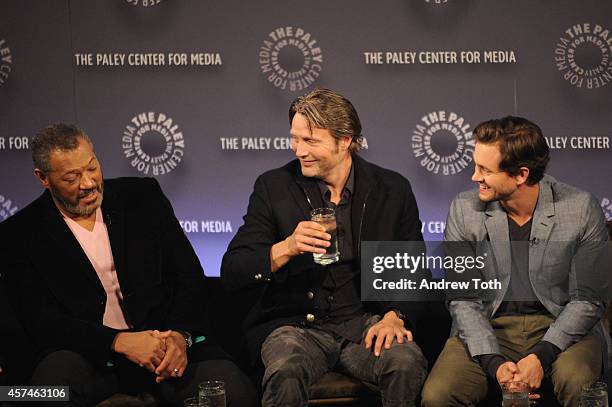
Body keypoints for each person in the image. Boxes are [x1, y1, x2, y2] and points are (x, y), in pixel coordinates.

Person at [0, 124, 257, 407]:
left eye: (92, 167)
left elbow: (189, 278)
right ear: (43, 178)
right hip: (87, 356)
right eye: (72, 177)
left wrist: (180, 337)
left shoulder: (143, 197)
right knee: (42, 397)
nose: (88, 183)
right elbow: (40, 320)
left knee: (235, 391)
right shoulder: (19, 234)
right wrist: (117, 341)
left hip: (165, 346)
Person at [221, 88, 428, 406]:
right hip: (297, 326)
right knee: (285, 368)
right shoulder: (273, 187)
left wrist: (395, 316)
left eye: (310, 141)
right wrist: (286, 247)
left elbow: (413, 270)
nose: (298, 150)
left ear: (345, 141)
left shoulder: (392, 189)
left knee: (405, 361)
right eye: (294, 139)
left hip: (366, 323)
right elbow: (234, 268)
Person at [421, 116, 610, 407]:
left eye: (485, 169)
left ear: (521, 175)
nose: (474, 177)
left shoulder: (580, 209)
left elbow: (587, 301)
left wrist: (542, 354)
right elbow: (463, 298)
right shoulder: (464, 209)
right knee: (438, 394)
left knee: (578, 383)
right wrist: (494, 362)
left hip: (561, 325)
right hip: (489, 325)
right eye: (475, 166)